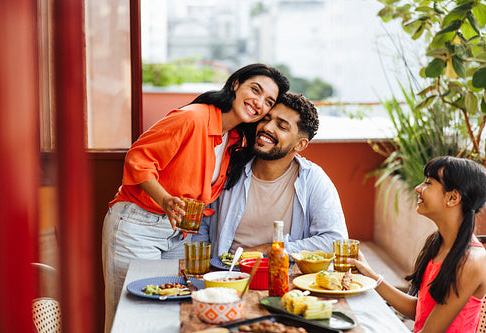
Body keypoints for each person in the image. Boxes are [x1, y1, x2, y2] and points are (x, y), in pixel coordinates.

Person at [101, 63, 289, 332]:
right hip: (137, 226)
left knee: (170, 313)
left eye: (268, 101)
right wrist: (166, 199)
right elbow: (137, 159)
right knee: (131, 320)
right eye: (255, 90)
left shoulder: (233, 138)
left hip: (177, 233)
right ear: (235, 84)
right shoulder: (193, 118)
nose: (259, 103)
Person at [193, 92, 348, 257]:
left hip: (282, 276)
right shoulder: (229, 166)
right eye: (266, 119)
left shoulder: (312, 179)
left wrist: (271, 249)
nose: (267, 127)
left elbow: (336, 241)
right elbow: (203, 222)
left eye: (281, 126)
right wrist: (206, 269)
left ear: (300, 144)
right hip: (225, 275)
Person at [349, 156, 486, 333]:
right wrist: (371, 277)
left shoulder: (471, 262)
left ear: (453, 197)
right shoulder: (437, 244)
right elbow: (420, 310)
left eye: (428, 183)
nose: (418, 188)